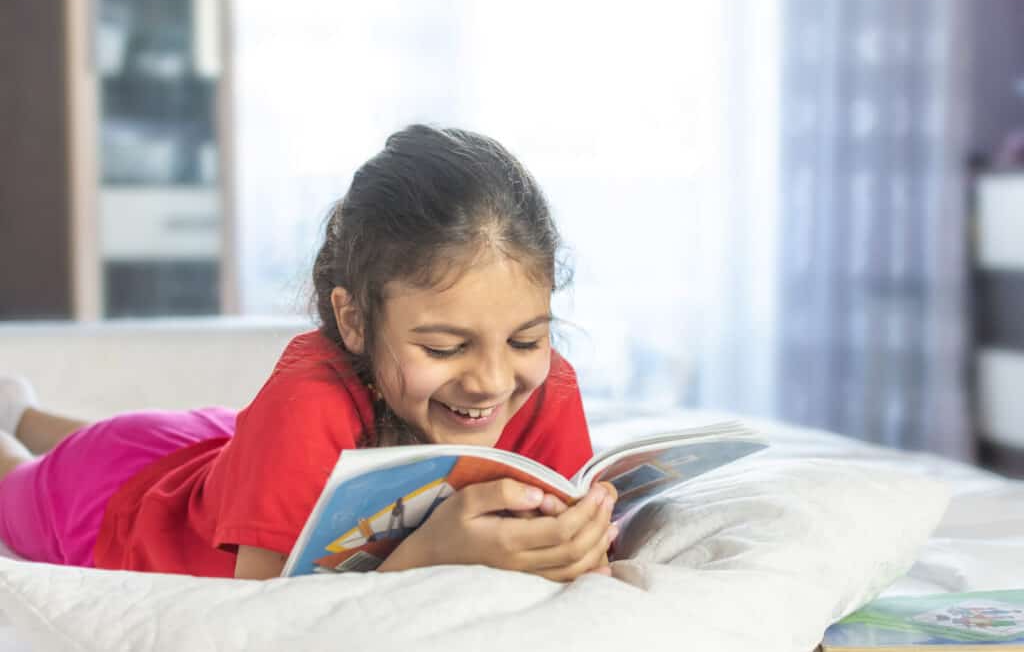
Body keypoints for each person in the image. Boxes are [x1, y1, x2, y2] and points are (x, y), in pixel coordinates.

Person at [0, 125, 618, 582]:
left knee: (144, 441)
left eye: (526, 340)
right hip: (117, 502)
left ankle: (24, 409)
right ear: (353, 319)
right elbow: (267, 615)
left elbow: (574, 542)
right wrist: (428, 556)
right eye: (445, 347)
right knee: (17, 475)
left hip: (220, 451)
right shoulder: (305, 400)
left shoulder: (541, 385)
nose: (491, 379)